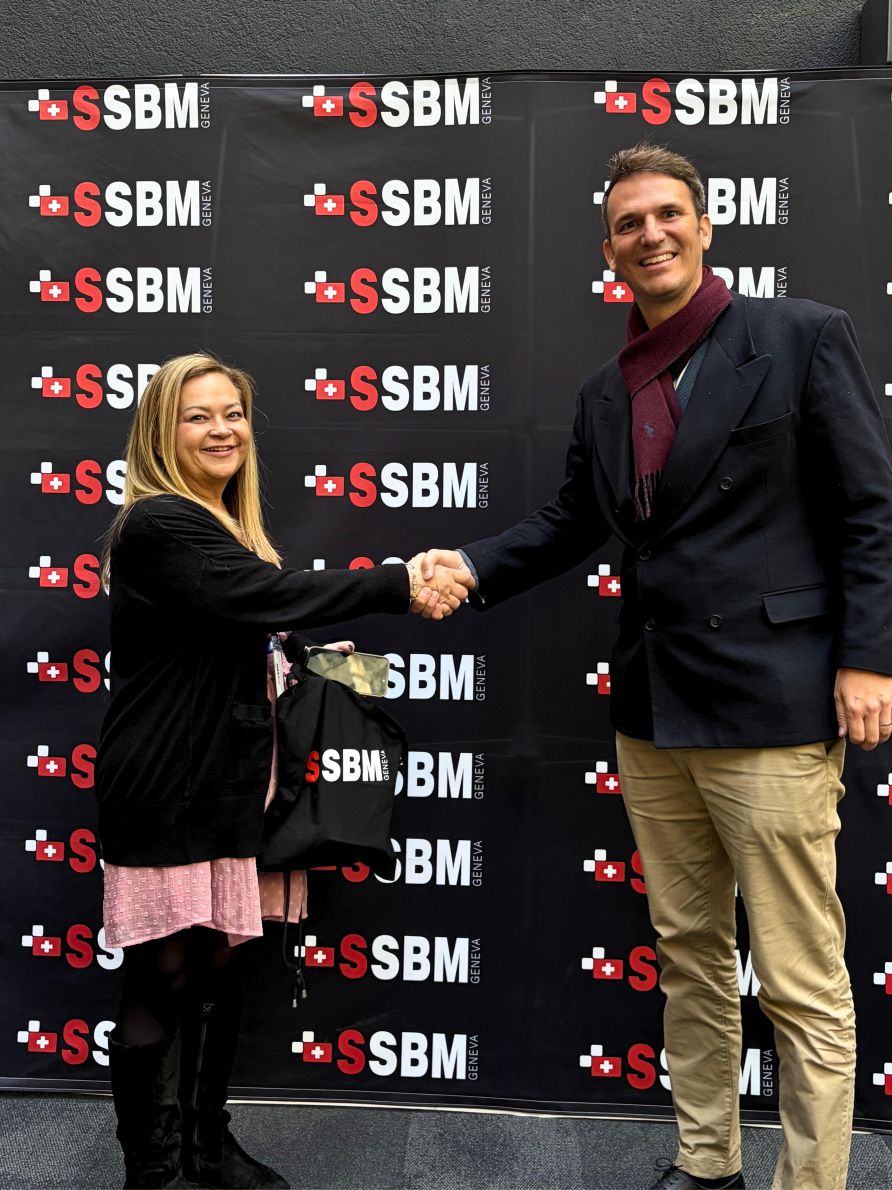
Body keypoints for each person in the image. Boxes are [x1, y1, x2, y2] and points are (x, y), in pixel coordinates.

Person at [419, 144, 892, 1190]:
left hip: (774, 702)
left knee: (800, 975)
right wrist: (470, 565)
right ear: (609, 250)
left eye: (668, 214)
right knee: (688, 952)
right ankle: (706, 1159)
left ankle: (811, 1182)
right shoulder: (607, 389)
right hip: (652, 708)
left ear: (705, 226)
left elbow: (869, 508)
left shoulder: (799, 336)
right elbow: (569, 522)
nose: (651, 234)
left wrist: (869, 658)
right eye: (629, 223)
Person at [96, 352, 473, 1189]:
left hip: (233, 785)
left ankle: (207, 1148)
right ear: (160, 430)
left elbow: (250, 625)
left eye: (232, 413)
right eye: (198, 416)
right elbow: (262, 598)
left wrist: (319, 661)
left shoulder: (225, 529)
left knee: (220, 970)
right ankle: (152, 1174)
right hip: (165, 787)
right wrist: (400, 583)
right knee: (161, 982)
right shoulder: (159, 523)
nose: (222, 429)